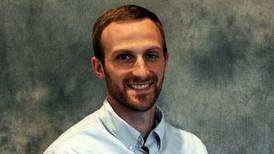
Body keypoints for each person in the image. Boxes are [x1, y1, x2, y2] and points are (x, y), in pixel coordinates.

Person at [44, 4, 208, 154]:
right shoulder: (71, 150)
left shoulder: (192, 148)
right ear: (99, 67)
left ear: (165, 60)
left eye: (151, 55)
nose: (141, 72)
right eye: (124, 57)